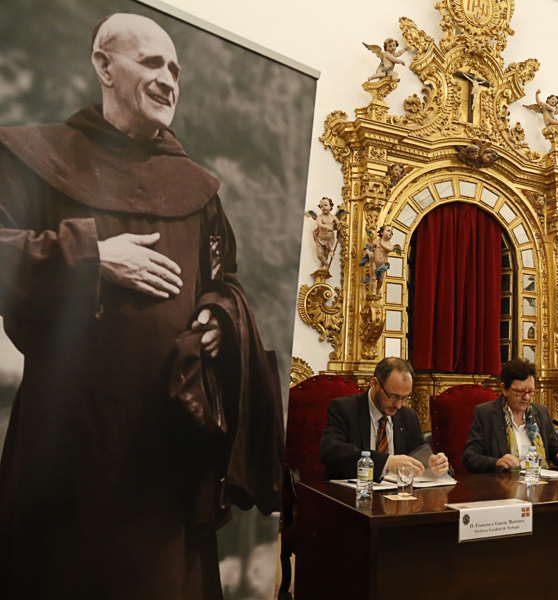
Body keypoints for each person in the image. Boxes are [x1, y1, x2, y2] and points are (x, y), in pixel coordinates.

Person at [0, 14, 283, 600]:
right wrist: (92, 256)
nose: (168, 80)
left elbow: (224, 279)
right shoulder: (32, 156)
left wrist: (217, 316)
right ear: (104, 66)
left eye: (175, 69)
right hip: (68, 442)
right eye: (151, 62)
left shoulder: (197, 189)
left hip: (167, 452)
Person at [320, 357, 450, 480]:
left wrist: (435, 465)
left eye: (404, 398)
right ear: (375, 384)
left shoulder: (408, 416)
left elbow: (420, 454)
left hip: (397, 493)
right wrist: (386, 462)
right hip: (353, 491)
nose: (398, 405)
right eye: (393, 396)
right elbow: (331, 452)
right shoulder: (345, 408)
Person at [462, 358, 558, 473]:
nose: (526, 397)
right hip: (502, 482)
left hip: (538, 480)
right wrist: (497, 462)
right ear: (504, 389)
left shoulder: (541, 413)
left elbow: (555, 451)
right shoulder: (486, 414)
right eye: (520, 392)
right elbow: (469, 457)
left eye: (531, 392)